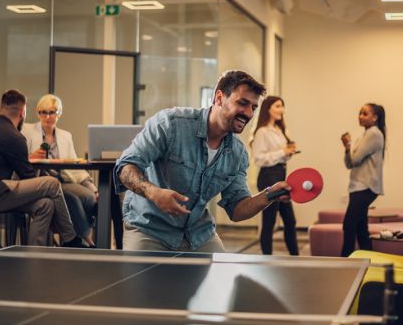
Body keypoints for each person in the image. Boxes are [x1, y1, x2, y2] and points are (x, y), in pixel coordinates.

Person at [115, 70, 292, 252]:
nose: (248, 113)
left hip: (198, 234)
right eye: (242, 103)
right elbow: (125, 168)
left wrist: (270, 194)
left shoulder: (238, 154)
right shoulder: (170, 124)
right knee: (141, 281)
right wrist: (154, 193)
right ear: (219, 98)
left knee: (223, 279)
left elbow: (237, 209)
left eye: (254, 107)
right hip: (149, 229)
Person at [0, 89, 85, 247]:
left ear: (0, 109)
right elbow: (28, 177)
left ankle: (33, 257)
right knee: (52, 184)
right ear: (23, 113)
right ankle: (70, 238)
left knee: (46, 205)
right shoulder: (14, 137)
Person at [22, 94, 98, 247]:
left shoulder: (65, 136)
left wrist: (93, 188)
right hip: (40, 182)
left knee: (89, 197)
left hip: (62, 180)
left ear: (59, 113)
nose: (48, 116)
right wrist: (31, 156)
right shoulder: (28, 131)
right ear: (38, 113)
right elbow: (19, 160)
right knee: (72, 199)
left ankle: (78, 233)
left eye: (52, 112)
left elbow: (75, 167)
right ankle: (86, 240)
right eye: (43, 112)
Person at [251, 96, 299, 255]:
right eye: (278, 106)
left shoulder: (280, 130)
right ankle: (267, 259)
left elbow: (281, 156)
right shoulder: (262, 132)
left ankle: (296, 257)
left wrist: (288, 152)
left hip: (280, 175)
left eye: (282, 106)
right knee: (269, 221)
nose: (282, 110)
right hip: (268, 177)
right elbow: (259, 159)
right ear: (268, 109)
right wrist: (282, 152)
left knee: (290, 221)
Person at [340, 103, 386, 257]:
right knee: (360, 227)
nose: (360, 116)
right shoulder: (363, 136)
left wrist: (350, 149)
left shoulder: (374, 134)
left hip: (365, 187)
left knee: (349, 224)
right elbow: (349, 163)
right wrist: (347, 147)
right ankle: (368, 261)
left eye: (365, 114)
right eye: (359, 113)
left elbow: (355, 160)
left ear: (375, 117)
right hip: (357, 186)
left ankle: (345, 261)